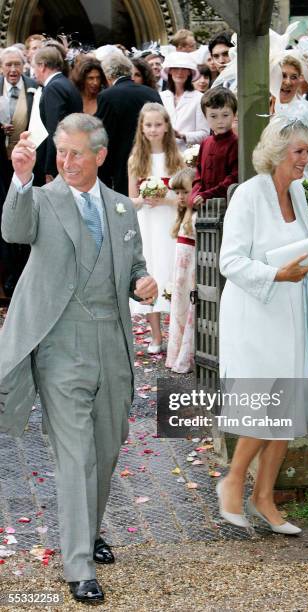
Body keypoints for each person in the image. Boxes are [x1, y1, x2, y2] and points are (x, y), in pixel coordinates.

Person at [0, 113, 158, 603]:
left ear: (100, 156)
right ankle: (78, 565)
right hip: (59, 345)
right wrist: (21, 176)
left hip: (112, 342)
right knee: (75, 456)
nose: (66, 161)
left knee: (107, 448)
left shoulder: (122, 208)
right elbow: (13, 230)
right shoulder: (41, 200)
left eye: (76, 153)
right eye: (61, 152)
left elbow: (134, 264)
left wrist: (143, 282)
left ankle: (87, 533)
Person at [216, 110, 308, 533]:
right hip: (254, 316)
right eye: (300, 151)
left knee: (286, 405)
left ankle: (264, 498)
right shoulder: (248, 194)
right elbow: (229, 261)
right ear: (278, 152)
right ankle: (234, 481)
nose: (306, 160)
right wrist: (276, 275)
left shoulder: (298, 195)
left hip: (289, 315)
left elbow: (304, 256)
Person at [128, 102, 184, 353]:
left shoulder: (177, 159)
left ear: (166, 127)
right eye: (148, 125)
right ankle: (156, 335)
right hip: (148, 224)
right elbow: (131, 200)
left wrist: (166, 199)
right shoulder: (135, 160)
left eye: (157, 125)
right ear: (141, 127)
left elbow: (184, 196)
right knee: (152, 272)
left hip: (169, 221)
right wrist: (143, 200)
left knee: (171, 272)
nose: (152, 129)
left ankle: (177, 335)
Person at [96, 53, 162, 195]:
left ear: (108, 75)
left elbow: (104, 136)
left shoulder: (107, 96)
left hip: (123, 164)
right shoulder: (151, 92)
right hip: (154, 158)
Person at [0, 46, 37, 298]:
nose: (13, 70)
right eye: (8, 65)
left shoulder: (34, 88)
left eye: (17, 64)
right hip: (0, 167)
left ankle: (22, 279)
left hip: (25, 165)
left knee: (22, 216)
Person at [33, 46, 83, 184]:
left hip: (62, 161)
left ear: (42, 66)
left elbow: (55, 129)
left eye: (34, 67)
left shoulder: (53, 88)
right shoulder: (66, 83)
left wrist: (51, 169)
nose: (34, 72)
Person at [165, 167, 197, 373]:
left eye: (185, 192)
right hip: (181, 276)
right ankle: (176, 355)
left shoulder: (195, 217)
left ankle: (187, 356)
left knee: (189, 310)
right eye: (177, 193)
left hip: (191, 274)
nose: (181, 197)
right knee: (179, 310)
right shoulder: (182, 217)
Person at [189, 87, 238, 208]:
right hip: (205, 207)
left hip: (227, 205)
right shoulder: (205, 142)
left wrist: (208, 195)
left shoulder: (235, 143)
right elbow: (198, 174)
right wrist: (195, 194)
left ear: (234, 114)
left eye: (225, 115)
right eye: (213, 116)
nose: (220, 121)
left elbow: (234, 178)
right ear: (205, 117)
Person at [160, 51, 210, 151]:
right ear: (169, 71)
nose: (180, 72)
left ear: (189, 72)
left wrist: (182, 135)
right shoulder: (161, 96)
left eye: (184, 69)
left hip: (188, 157)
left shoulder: (199, 98)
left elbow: (205, 133)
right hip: (164, 154)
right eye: (176, 68)